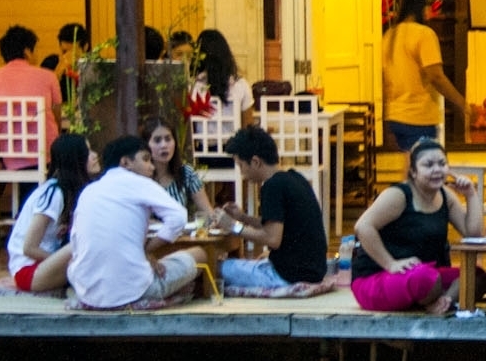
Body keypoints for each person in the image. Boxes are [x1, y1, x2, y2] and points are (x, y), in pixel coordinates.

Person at [66, 134, 206, 310]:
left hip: (87, 292)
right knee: (200, 254)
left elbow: (75, 243)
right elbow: (178, 217)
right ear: (125, 163)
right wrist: (146, 250)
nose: (152, 167)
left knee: (74, 264)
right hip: (136, 290)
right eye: (146, 160)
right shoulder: (140, 183)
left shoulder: (89, 191)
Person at [349, 138, 484, 313]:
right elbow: (363, 226)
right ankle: (432, 299)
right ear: (413, 172)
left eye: (442, 164)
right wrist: (390, 264)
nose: (437, 170)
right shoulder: (398, 195)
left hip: (426, 275)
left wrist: (471, 195)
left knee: (476, 275)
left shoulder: (445, 195)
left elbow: (473, 234)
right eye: (428, 165)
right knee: (425, 277)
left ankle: (442, 302)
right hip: (377, 279)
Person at [213, 126, 330, 290]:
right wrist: (242, 217)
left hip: (286, 276)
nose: (242, 173)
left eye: (241, 166)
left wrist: (233, 226)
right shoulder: (294, 177)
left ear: (255, 162)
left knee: (213, 267)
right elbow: (275, 224)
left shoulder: (272, 186)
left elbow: (272, 239)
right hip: (313, 271)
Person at [6, 134, 97, 293]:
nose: (95, 155)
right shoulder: (54, 194)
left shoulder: (71, 192)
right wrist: (66, 261)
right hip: (29, 271)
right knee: (84, 245)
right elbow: (29, 248)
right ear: (75, 158)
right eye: (88, 151)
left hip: (45, 266)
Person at [381, 0, 467, 153]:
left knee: (412, 168)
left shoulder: (389, 36)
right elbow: (436, 77)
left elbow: (385, 81)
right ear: (421, 7)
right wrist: (461, 103)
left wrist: (385, 119)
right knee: (424, 170)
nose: (430, 13)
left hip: (395, 116)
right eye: (428, 7)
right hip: (418, 117)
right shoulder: (424, 34)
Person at [0, 24, 63, 168]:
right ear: (27, 51)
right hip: (46, 155)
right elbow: (57, 116)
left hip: (8, 155)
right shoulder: (48, 76)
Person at [140, 116, 213, 218]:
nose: (164, 145)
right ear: (146, 145)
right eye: (157, 141)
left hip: (179, 232)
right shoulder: (138, 178)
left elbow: (207, 212)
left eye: (168, 139)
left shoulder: (186, 173)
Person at [191, 28, 254, 127]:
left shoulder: (192, 87)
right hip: (234, 141)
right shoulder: (241, 85)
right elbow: (248, 126)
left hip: (202, 142)